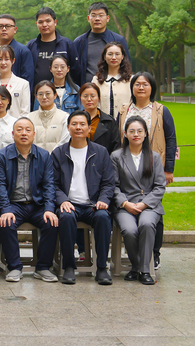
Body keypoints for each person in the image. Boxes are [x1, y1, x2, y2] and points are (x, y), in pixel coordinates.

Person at [118, 72, 177, 268]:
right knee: (131, 210)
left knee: (154, 209)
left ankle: (154, 253)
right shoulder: (124, 110)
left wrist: (169, 169)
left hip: (154, 165)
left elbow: (171, 139)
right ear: (132, 88)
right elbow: (118, 138)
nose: (141, 87)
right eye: (137, 84)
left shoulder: (161, 110)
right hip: (128, 164)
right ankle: (136, 254)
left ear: (152, 87)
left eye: (145, 84)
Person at [53, 110, 116, 285]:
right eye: (74, 124)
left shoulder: (101, 152)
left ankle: (101, 268)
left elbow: (109, 183)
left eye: (82, 124)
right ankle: (69, 266)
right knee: (66, 217)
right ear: (68, 127)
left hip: (93, 205)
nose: (78, 128)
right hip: (69, 204)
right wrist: (63, 200)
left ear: (89, 128)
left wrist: (103, 200)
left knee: (103, 217)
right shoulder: (59, 153)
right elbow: (53, 184)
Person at [0, 117, 59, 282]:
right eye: (19, 130)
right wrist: (5, 209)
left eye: (28, 130)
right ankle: (14, 267)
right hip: (13, 204)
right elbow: (0, 185)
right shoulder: (1, 156)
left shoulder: (44, 155)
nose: (24, 133)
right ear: (13, 134)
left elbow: (49, 185)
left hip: (37, 204)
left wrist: (49, 209)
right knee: (6, 222)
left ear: (34, 134)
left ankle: (43, 267)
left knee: (51, 222)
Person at [111, 116, 166, 285]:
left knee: (147, 224)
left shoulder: (154, 157)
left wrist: (144, 204)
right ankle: (136, 266)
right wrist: (125, 203)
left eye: (140, 131)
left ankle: (144, 271)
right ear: (125, 134)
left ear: (145, 134)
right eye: (132, 131)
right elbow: (113, 186)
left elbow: (160, 186)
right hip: (125, 204)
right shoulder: (116, 156)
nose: (136, 134)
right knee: (129, 229)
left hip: (149, 204)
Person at [74, 2, 131, 83]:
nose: (97, 19)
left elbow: (126, 65)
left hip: (113, 86)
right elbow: (74, 68)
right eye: (93, 15)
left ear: (107, 18)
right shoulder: (79, 42)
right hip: (87, 87)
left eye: (101, 15)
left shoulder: (118, 40)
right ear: (88, 18)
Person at [27, 7, 82, 86]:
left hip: (63, 91)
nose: (44, 25)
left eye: (48, 21)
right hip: (37, 91)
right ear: (37, 24)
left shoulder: (67, 44)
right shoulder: (31, 46)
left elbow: (76, 71)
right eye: (40, 22)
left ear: (55, 22)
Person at [0, 44, 30, 118]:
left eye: (7, 59)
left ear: (13, 61)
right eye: (0, 59)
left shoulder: (23, 84)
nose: (3, 63)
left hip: (16, 124)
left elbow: (25, 112)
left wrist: (17, 124)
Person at [0, 14, 34, 88]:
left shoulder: (23, 51)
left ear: (15, 29)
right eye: (0, 26)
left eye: (8, 26)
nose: (4, 29)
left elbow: (28, 79)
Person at [28, 81, 71, 153]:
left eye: (48, 94)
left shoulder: (65, 117)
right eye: (40, 94)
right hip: (34, 158)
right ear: (36, 97)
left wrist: (53, 155)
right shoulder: (29, 118)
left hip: (57, 158)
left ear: (55, 95)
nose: (44, 97)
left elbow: (65, 141)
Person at [92, 42, 133, 118]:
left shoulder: (131, 80)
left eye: (117, 54)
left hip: (125, 122)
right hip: (101, 122)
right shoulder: (96, 80)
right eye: (110, 54)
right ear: (104, 56)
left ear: (122, 56)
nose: (114, 57)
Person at [79, 82, 120, 154]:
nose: (89, 99)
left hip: (103, 159)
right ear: (80, 98)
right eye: (85, 96)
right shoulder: (75, 120)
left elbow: (116, 147)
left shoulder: (109, 121)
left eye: (93, 96)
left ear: (98, 98)